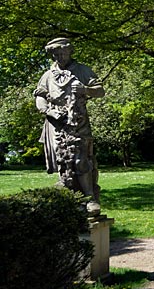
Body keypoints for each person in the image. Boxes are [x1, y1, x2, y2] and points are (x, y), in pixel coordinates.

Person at [34, 38, 105, 215]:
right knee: (62, 161)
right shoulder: (48, 74)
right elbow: (40, 96)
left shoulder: (82, 70)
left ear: (70, 52)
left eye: (62, 53)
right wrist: (47, 111)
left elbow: (100, 91)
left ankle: (89, 198)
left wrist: (85, 90)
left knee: (81, 159)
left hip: (77, 122)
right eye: (56, 54)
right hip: (56, 123)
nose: (59, 57)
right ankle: (68, 196)